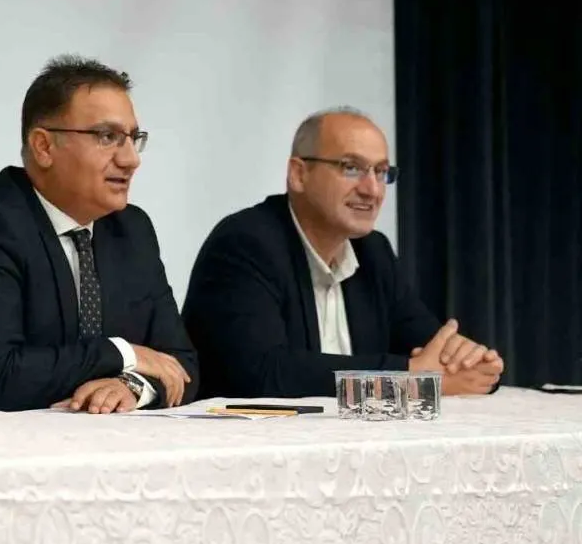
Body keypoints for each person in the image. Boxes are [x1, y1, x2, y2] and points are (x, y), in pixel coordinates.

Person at [0, 55, 198, 413]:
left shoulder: (131, 229)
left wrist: (130, 385)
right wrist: (122, 353)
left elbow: (181, 365)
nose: (130, 159)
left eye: (133, 138)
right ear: (44, 146)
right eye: (107, 137)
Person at [182, 106, 504, 398]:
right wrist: (406, 377)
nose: (372, 190)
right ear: (299, 174)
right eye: (351, 168)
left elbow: (433, 352)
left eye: (381, 172)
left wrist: (470, 362)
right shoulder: (246, 244)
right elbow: (264, 372)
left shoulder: (373, 252)